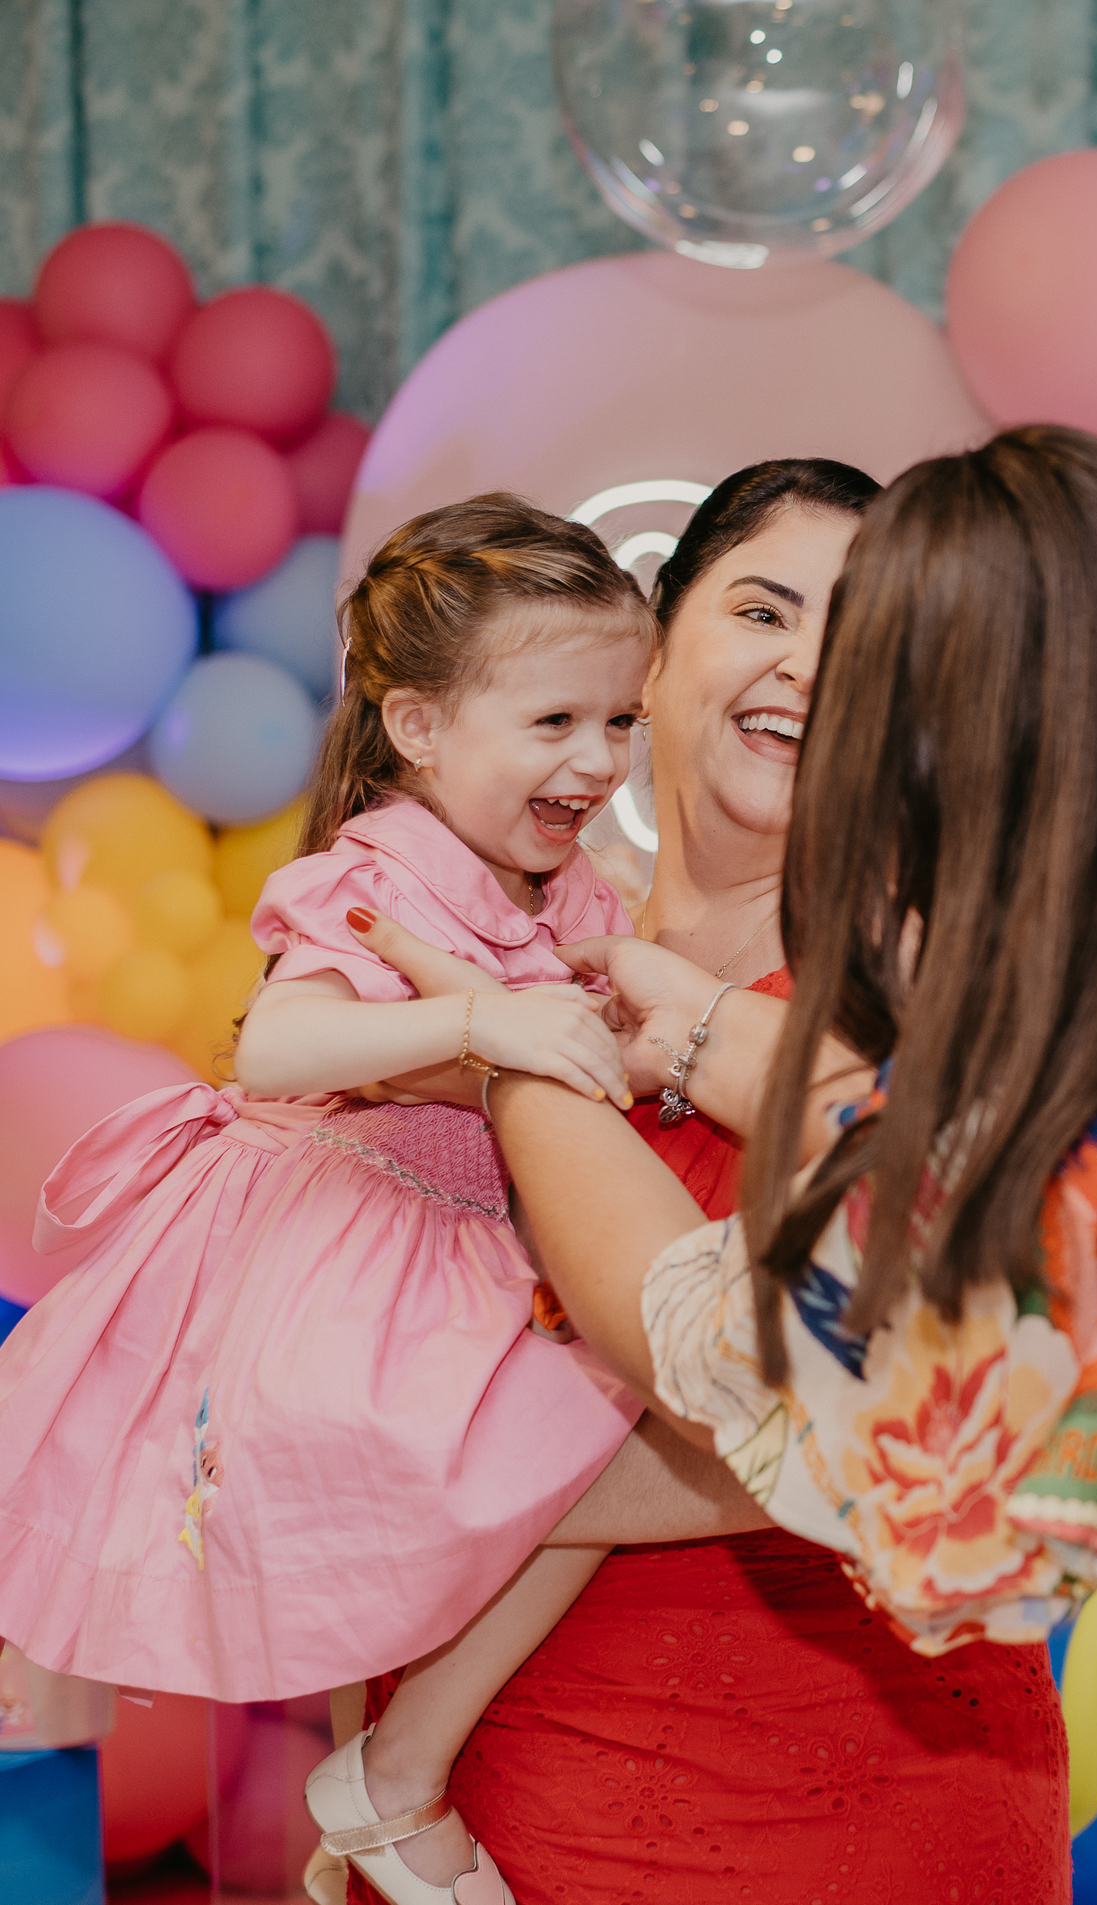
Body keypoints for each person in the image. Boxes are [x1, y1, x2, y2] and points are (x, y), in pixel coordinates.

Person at [364, 426, 1097, 1905]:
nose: (822, 673)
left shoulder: (1003, 1025)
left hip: (848, 1811)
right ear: (653, 638)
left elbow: (753, 1377)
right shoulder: (527, 936)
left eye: (884, 644)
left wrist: (504, 1046)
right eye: (767, 609)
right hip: (488, 1811)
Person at [0, 494, 763, 1905]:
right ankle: (394, 1770)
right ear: (418, 726)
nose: (597, 761)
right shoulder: (381, 867)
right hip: (337, 1244)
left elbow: (579, 1048)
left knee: (592, 1427)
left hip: (453, 1246)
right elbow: (279, 1046)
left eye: (617, 720)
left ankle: (394, 1768)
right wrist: (479, 1018)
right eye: (554, 721)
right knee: (581, 1423)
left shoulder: (570, 885)